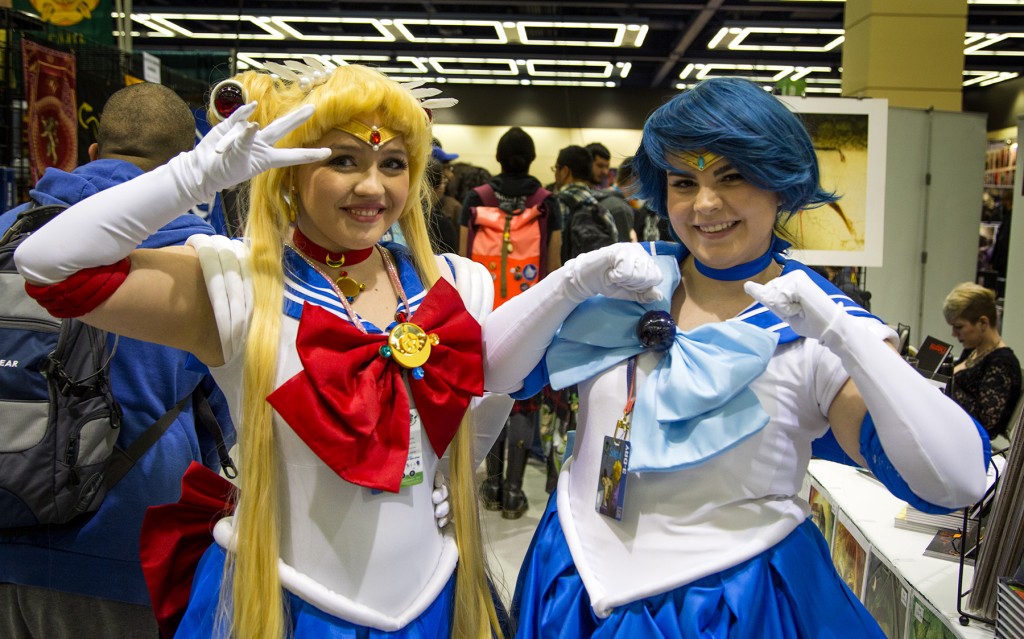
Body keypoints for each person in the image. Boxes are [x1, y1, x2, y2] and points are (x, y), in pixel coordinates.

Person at [481, 76, 990, 637]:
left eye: (733, 176)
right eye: (683, 181)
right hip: (574, 578)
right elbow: (490, 372)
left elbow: (956, 482)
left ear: (781, 187)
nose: (705, 204)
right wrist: (569, 282)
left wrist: (847, 336)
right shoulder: (625, 284)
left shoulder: (820, 326)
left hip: (730, 607)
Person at [14, 64, 507, 638]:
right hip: (279, 605)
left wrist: (448, 481)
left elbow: (486, 405)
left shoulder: (456, 285)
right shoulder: (239, 283)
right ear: (290, 171)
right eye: (342, 159)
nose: (373, 187)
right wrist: (191, 179)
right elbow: (50, 271)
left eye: (392, 163)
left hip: (430, 597)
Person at [0, 82, 235, 638]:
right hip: (125, 552)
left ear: (90, 151)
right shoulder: (199, 257)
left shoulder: (10, 230)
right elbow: (224, 411)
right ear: (188, 164)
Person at [460, 125, 562, 519]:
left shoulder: (475, 199)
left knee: (482, 393)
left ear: (498, 158)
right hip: (527, 316)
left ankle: (489, 482)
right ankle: (514, 492)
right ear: (533, 159)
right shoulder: (548, 203)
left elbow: (461, 256)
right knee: (522, 401)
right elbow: (553, 267)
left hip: (481, 313)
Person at [943, 282, 1022, 439]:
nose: (953, 333)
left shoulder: (1002, 364)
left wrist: (946, 383)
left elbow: (986, 425)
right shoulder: (973, 351)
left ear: (983, 323)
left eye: (959, 327)